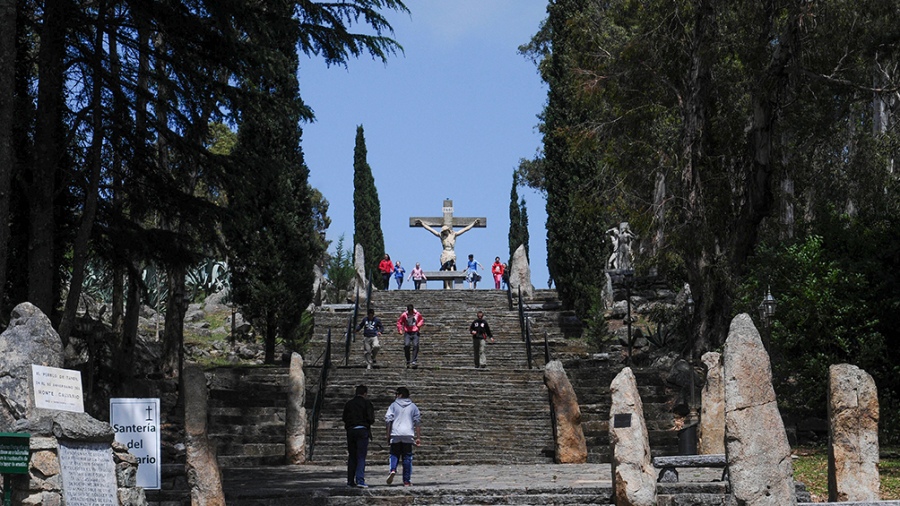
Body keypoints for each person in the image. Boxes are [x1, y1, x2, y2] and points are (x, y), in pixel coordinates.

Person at [384, 386, 421, 487]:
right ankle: (406, 481)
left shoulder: (393, 405)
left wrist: (388, 435)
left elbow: (388, 420)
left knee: (394, 454)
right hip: (408, 434)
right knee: (407, 457)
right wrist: (418, 437)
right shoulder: (413, 406)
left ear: (399, 395)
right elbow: (417, 422)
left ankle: (392, 469)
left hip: (396, 433)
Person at [342, 384, 375, 488]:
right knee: (361, 456)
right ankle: (360, 480)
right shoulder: (367, 403)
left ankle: (350, 481)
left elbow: (344, 417)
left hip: (351, 430)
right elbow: (371, 418)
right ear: (365, 393)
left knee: (352, 456)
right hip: (362, 429)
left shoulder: (349, 404)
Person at [415, 218, 480, 271]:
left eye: (445, 231)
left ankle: (451, 285)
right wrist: (423, 224)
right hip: (445, 253)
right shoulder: (441, 236)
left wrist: (473, 223)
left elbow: (465, 229)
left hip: (451, 253)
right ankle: (447, 286)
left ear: (448, 230)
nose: (444, 232)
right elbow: (431, 230)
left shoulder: (454, 235)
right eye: (443, 231)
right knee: (445, 268)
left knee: (451, 267)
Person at [396, 304, 424, 368]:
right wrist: (400, 329)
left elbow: (421, 320)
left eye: (411, 311)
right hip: (407, 332)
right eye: (409, 311)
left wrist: (419, 324)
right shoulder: (404, 315)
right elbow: (399, 322)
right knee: (406, 345)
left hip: (415, 332)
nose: (410, 312)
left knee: (415, 345)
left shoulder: (417, 314)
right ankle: (408, 360)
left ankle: (414, 360)